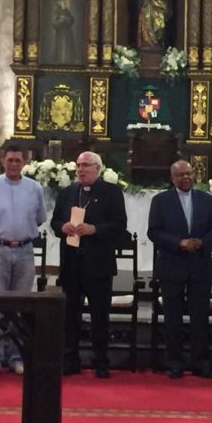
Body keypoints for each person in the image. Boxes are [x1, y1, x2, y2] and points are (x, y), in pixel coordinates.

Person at [0, 144, 45, 376]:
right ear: (3, 161)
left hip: (24, 252)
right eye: (10, 160)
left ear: (25, 162)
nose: (14, 164)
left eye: (18, 160)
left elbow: (40, 219)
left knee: (20, 306)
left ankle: (16, 356)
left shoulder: (35, 188)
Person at [51, 151, 127, 379]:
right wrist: (63, 227)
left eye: (86, 166)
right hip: (71, 263)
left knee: (99, 315)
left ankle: (101, 361)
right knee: (70, 314)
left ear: (98, 168)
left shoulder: (112, 193)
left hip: (98, 264)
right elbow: (55, 221)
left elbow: (120, 225)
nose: (81, 170)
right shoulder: (66, 193)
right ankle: (69, 359)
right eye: (78, 166)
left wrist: (95, 229)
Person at [147, 160, 212, 379]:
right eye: (181, 175)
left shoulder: (206, 200)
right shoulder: (160, 201)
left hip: (199, 265)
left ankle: (200, 362)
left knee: (200, 317)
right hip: (172, 265)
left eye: (189, 173)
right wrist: (178, 242)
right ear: (173, 178)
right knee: (173, 318)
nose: (186, 177)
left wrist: (200, 242)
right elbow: (154, 232)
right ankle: (174, 362)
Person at [52, 0, 76, 64]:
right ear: (60, 3)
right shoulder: (57, 11)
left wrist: (66, 19)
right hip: (60, 33)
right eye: (63, 3)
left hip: (68, 33)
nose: (64, 4)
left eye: (65, 3)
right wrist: (59, 22)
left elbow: (72, 20)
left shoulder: (67, 11)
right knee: (60, 47)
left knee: (68, 47)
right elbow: (53, 23)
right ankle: (60, 61)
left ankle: (68, 61)